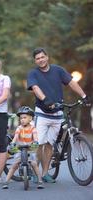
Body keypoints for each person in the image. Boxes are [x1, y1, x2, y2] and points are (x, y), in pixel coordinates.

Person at [27, 47, 89, 183]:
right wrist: (45, 99)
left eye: (42, 57)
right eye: (37, 58)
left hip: (57, 114)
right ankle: (34, 170)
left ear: (47, 57)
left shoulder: (58, 70)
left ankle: (44, 173)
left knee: (49, 144)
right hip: (42, 113)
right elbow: (35, 88)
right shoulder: (33, 73)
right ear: (35, 61)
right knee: (38, 144)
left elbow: (71, 83)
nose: (41, 60)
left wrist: (84, 96)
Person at [2, 106, 44, 189]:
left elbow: (35, 137)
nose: (22, 120)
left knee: (34, 164)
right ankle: (6, 181)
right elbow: (15, 137)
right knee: (15, 164)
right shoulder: (19, 128)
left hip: (30, 149)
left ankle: (40, 181)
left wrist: (35, 142)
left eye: (25, 118)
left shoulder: (33, 128)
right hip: (20, 149)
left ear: (30, 118)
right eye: (21, 118)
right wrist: (13, 143)